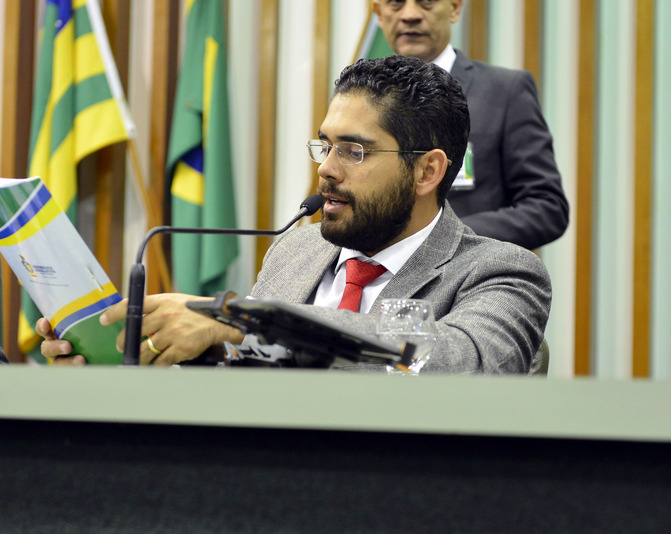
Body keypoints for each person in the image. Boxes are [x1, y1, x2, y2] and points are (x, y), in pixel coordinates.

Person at [38, 55, 551, 373]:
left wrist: (241, 320)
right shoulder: (297, 249)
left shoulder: (500, 272)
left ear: (426, 171)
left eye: (353, 151)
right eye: (324, 145)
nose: (326, 169)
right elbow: (243, 375)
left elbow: (460, 362)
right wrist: (125, 361)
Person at [372, 0, 568, 250]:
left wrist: (447, 237)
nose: (410, 14)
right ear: (379, 13)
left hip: (470, 270)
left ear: (454, 8)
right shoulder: (363, 99)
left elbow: (547, 208)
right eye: (395, 3)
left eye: (427, 2)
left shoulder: (505, 91)